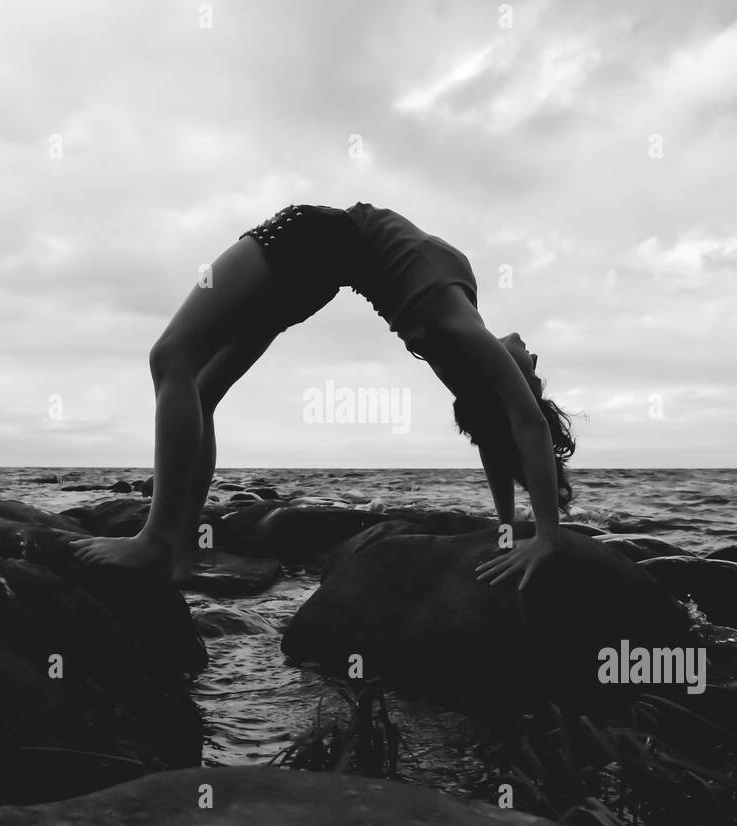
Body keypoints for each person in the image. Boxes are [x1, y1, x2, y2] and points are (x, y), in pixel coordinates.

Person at [71, 202, 576, 589]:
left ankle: (157, 541)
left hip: (310, 239)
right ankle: (179, 550)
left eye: (532, 371)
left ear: (510, 378)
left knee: (170, 360)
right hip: (320, 275)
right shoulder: (460, 355)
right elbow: (495, 432)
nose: (531, 354)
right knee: (201, 391)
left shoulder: (460, 330)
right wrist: (506, 528)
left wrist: (548, 538)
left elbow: (522, 423)